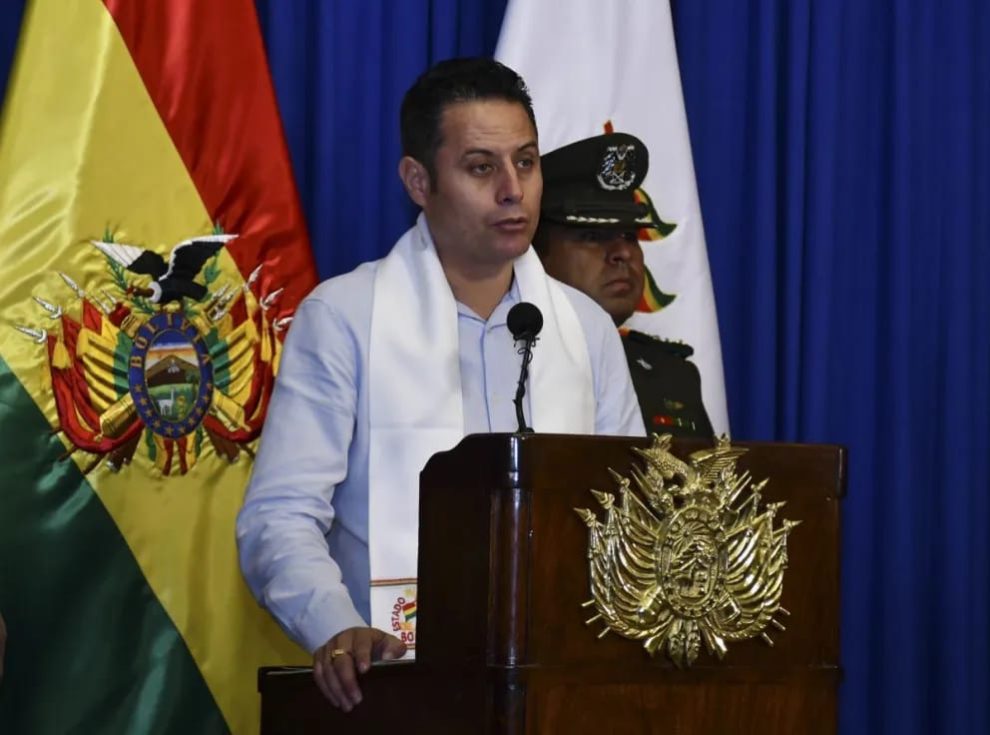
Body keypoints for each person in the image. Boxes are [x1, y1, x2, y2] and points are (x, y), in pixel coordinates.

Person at [236, 58, 644, 713]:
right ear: (418, 181)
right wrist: (336, 626)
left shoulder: (584, 329)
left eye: (527, 162)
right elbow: (279, 517)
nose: (513, 190)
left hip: (561, 691)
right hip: (393, 691)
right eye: (481, 168)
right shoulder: (346, 317)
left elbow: (634, 513)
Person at [533, 132, 714, 439]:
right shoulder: (506, 362)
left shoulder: (672, 376)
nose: (623, 253)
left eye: (630, 237)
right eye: (592, 236)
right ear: (537, 254)